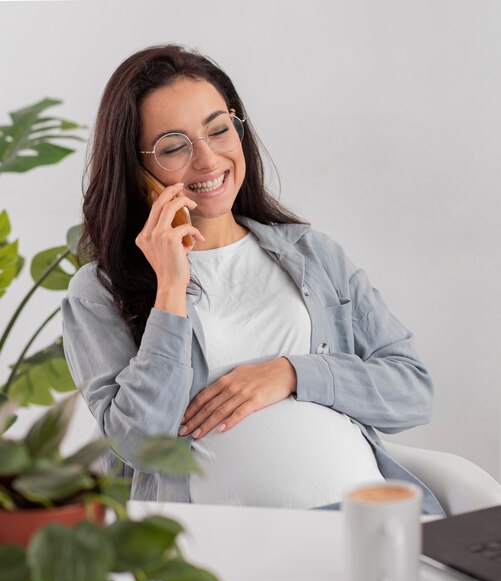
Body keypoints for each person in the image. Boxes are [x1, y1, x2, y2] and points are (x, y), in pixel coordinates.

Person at [62, 44, 444, 514]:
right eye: (174, 146)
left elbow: (412, 391)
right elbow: (139, 443)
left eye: (218, 130)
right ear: (136, 169)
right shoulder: (99, 290)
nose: (207, 160)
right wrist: (169, 289)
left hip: (367, 525)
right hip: (224, 555)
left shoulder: (312, 254)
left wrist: (290, 374)